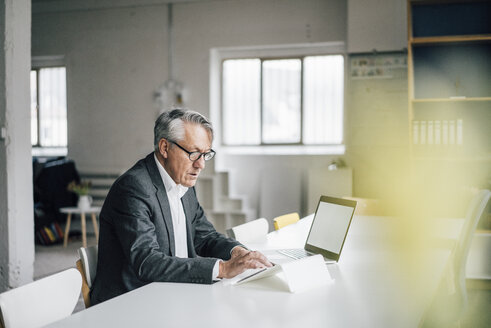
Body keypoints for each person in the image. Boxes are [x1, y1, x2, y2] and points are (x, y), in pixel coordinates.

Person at [90, 108, 272, 305]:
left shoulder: (183, 182)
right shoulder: (133, 188)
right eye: (194, 153)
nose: (201, 165)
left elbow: (204, 236)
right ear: (165, 148)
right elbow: (147, 262)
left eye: (206, 154)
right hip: (131, 302)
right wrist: (222, 269)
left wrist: (236, 252)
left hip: (174, 291)